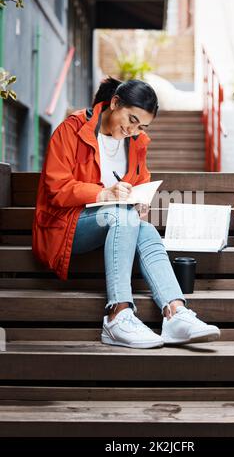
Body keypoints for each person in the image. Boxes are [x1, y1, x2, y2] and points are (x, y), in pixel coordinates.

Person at [32, 76, 221, 349]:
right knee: (120, 215)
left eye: (142, 126)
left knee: (143, 226)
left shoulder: (137, 143)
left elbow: (140, 181)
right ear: (115, 102)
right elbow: (56, 188)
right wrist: (102, 194)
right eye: (131, 120)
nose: (134, 130)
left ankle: (175, 312)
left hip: (114, 226)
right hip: (64, 229)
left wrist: (140, 201)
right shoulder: (72, 129)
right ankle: (117, 316)